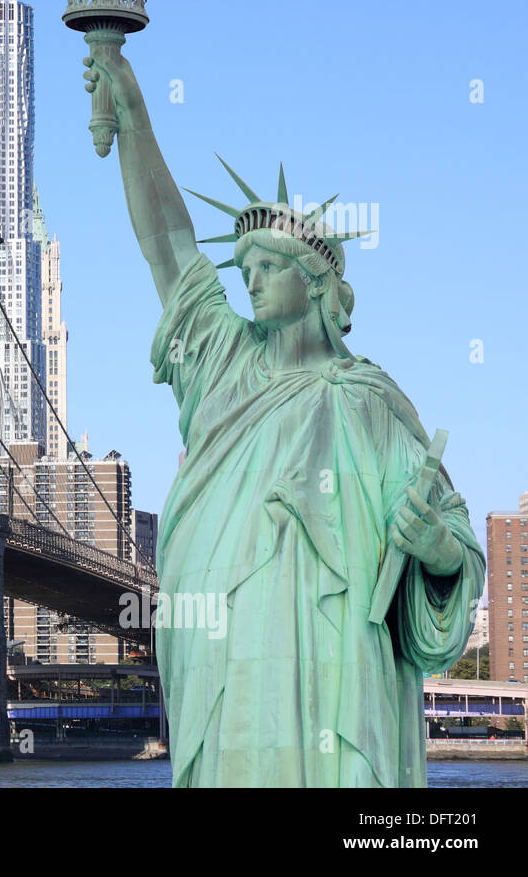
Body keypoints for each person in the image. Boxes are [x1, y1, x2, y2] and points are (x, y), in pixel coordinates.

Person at [83, 49, 485, 787]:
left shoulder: (370, 401)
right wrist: (134, 113)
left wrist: (440, 553)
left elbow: (454, 540)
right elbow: (168, 247)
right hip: (229, 667)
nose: (252, 281)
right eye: (244, 269)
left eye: (268, 267)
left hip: (339, 675)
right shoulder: (221, 362)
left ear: (317, 283)